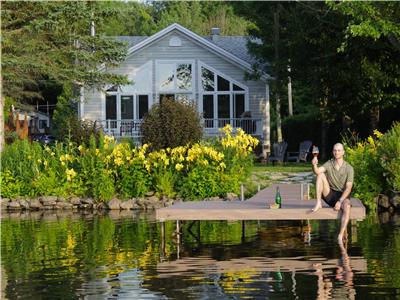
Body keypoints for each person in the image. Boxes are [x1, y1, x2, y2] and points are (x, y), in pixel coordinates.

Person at [311, 143, 354, 242]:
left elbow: (348, 188)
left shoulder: (349, 168)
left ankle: (340, 235)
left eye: (339, 150)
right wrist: (314, 165)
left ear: (343, 152)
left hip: (342, 196)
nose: (336, 152)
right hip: (330, 195)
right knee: (320, 175)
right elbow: (317, 171)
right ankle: (318, 203)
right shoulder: (329, 164)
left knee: (347, 206)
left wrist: (340, 201)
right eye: (335, 150)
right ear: (332, 152)